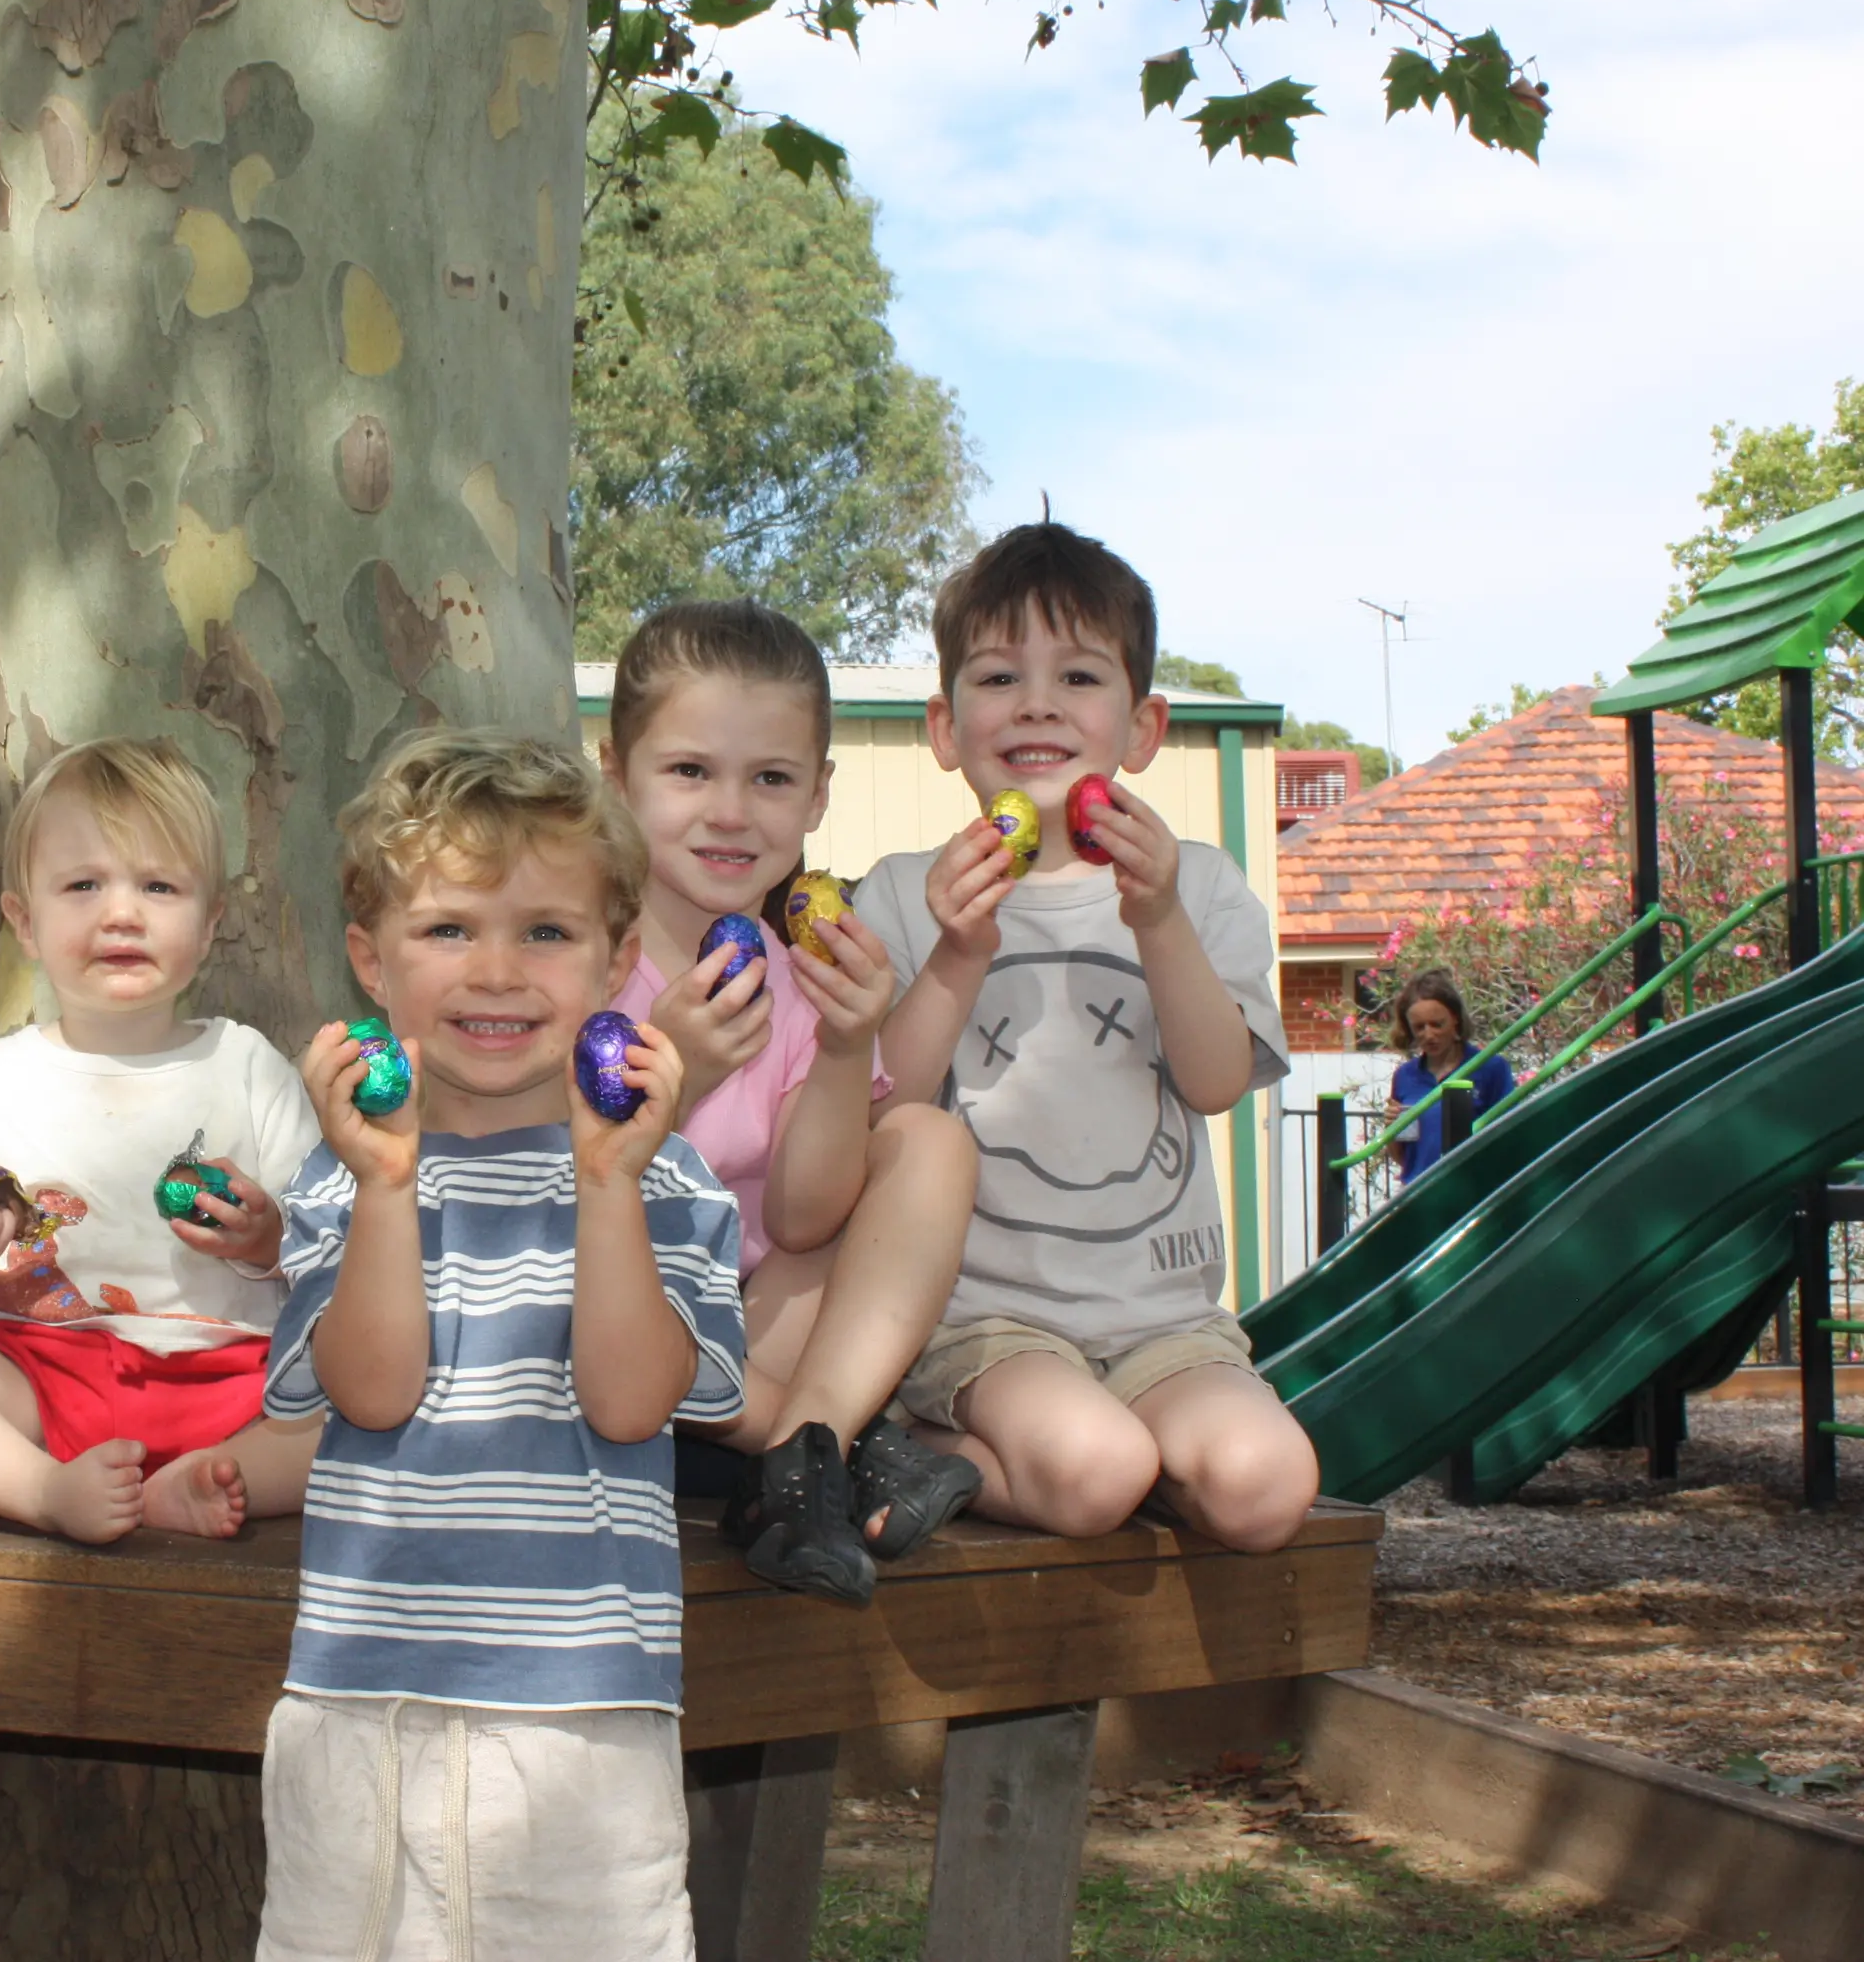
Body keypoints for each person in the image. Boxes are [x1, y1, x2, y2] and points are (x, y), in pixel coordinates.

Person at [256, 731, 749, 1961]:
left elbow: (633, 1403)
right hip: (361, 1701)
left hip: (583, 1718)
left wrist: (608, 1184)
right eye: (448, 929)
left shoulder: (670, 1176)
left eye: (545, 932)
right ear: (371, 959)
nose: (497, 970)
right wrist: (382, 1189)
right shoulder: (340, 1177)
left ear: (619, 959)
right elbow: (370, 1392)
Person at [850, 523, 1321, 1554]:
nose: (1037, 702)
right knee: (1099, 1471)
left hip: (1165, 1325)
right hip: (987, 1326)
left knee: (1268, 1487)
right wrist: (956, 955)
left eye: (1077, 674)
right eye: (997, 675)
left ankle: (1112, 1457)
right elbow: (880, 1109)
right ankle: (921, 1441)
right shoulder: (899, 893)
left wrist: (1156, 920)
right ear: (944, 724)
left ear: (1142, 726)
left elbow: (1213, 1082)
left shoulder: (1197, 883)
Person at [600, 598, 982, 1604]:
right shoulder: (568, 954)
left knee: (928, 1142)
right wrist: (666, 1085)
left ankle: (802, 1458)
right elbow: (536, 1193)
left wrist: (850, 1042)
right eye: (689, 771)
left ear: (817, 795)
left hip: (741, 1341)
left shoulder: (802, 975)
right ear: (614, 772)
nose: (730, 812)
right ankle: (834, 1452)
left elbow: (806, 1217)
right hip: (595, 1341)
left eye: (770, 778)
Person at [0, 738, 323, 1543]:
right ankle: (40, 1489)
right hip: (41, 1369)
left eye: (159, 886)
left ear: (210, 925)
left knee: (373, 1404)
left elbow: (322, 1237)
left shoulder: (248, 1065)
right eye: (84, 885)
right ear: (25, 922)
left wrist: (266, 1235)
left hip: (229, 1376)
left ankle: (197, 1482)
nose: (121, 912)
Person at [1386, 967, 1514, 1183]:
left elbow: (1509, 1138)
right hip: (1420, 1191)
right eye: (1419, 1027)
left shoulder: (1489, 1067)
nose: (1429, 1035)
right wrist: (1392, 1129)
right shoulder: (1405, 1076)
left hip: (1473, 1191)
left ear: (1455, 1018)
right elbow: (1404, 1156)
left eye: (1437, 1024)